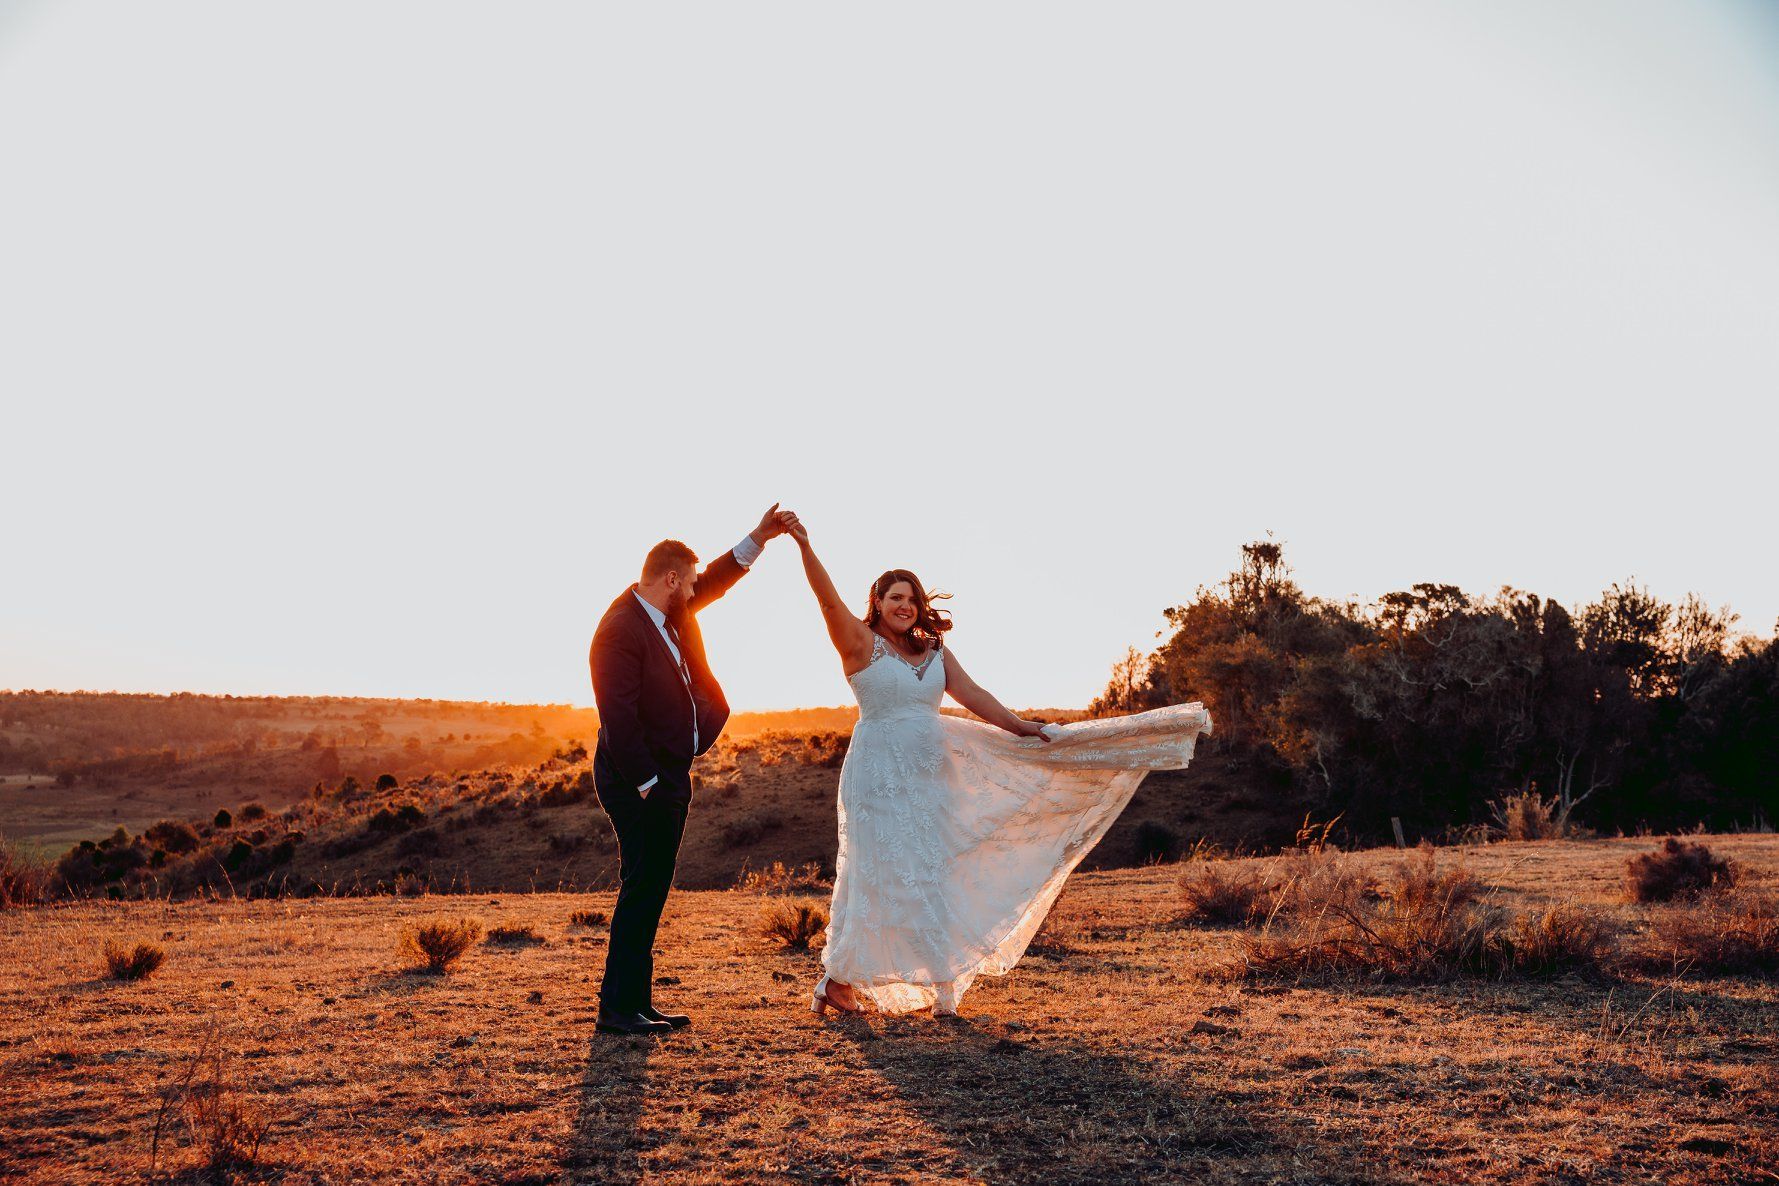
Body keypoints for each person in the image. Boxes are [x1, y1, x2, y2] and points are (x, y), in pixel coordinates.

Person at [787, 520, 1213, 1016]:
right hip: (878, 775)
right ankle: (838, 981)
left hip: (931, 776)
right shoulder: (858, 644)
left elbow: (972, 695)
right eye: (895, 598)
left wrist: (1019, 726)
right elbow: (826, 600)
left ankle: (940, 984)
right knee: (877, 873)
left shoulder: (933, 651)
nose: (905, 606)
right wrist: (804, 544)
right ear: (876, 603)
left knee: (933, 874)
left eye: (912, 599)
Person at [587, 503, 795, 1035]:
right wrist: (650, 785)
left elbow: (719, 580)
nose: (696, 589)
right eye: (691, 581)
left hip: (665, 773)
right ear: (671, 579)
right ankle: (617, 1009)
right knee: (643, 886)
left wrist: (760, 538)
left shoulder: (668, 609)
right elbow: (618, 719)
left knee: (649, 886)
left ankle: (635, 1002)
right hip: (640, 782)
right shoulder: (618, 631)